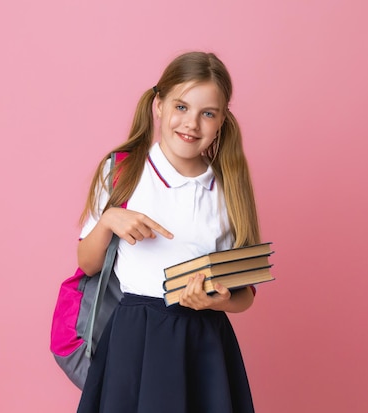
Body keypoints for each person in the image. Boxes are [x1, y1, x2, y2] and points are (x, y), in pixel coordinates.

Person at [76, 51, 261, 413]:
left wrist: (219, 301)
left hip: (204, 343)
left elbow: (246, 293)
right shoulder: (122, 172)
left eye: (207, 113)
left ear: (222, 120)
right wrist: (109, 220)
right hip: (134, 339)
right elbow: (86, 264)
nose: (191, 123)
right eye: (181, 106)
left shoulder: (228, 188)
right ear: (158, 105)